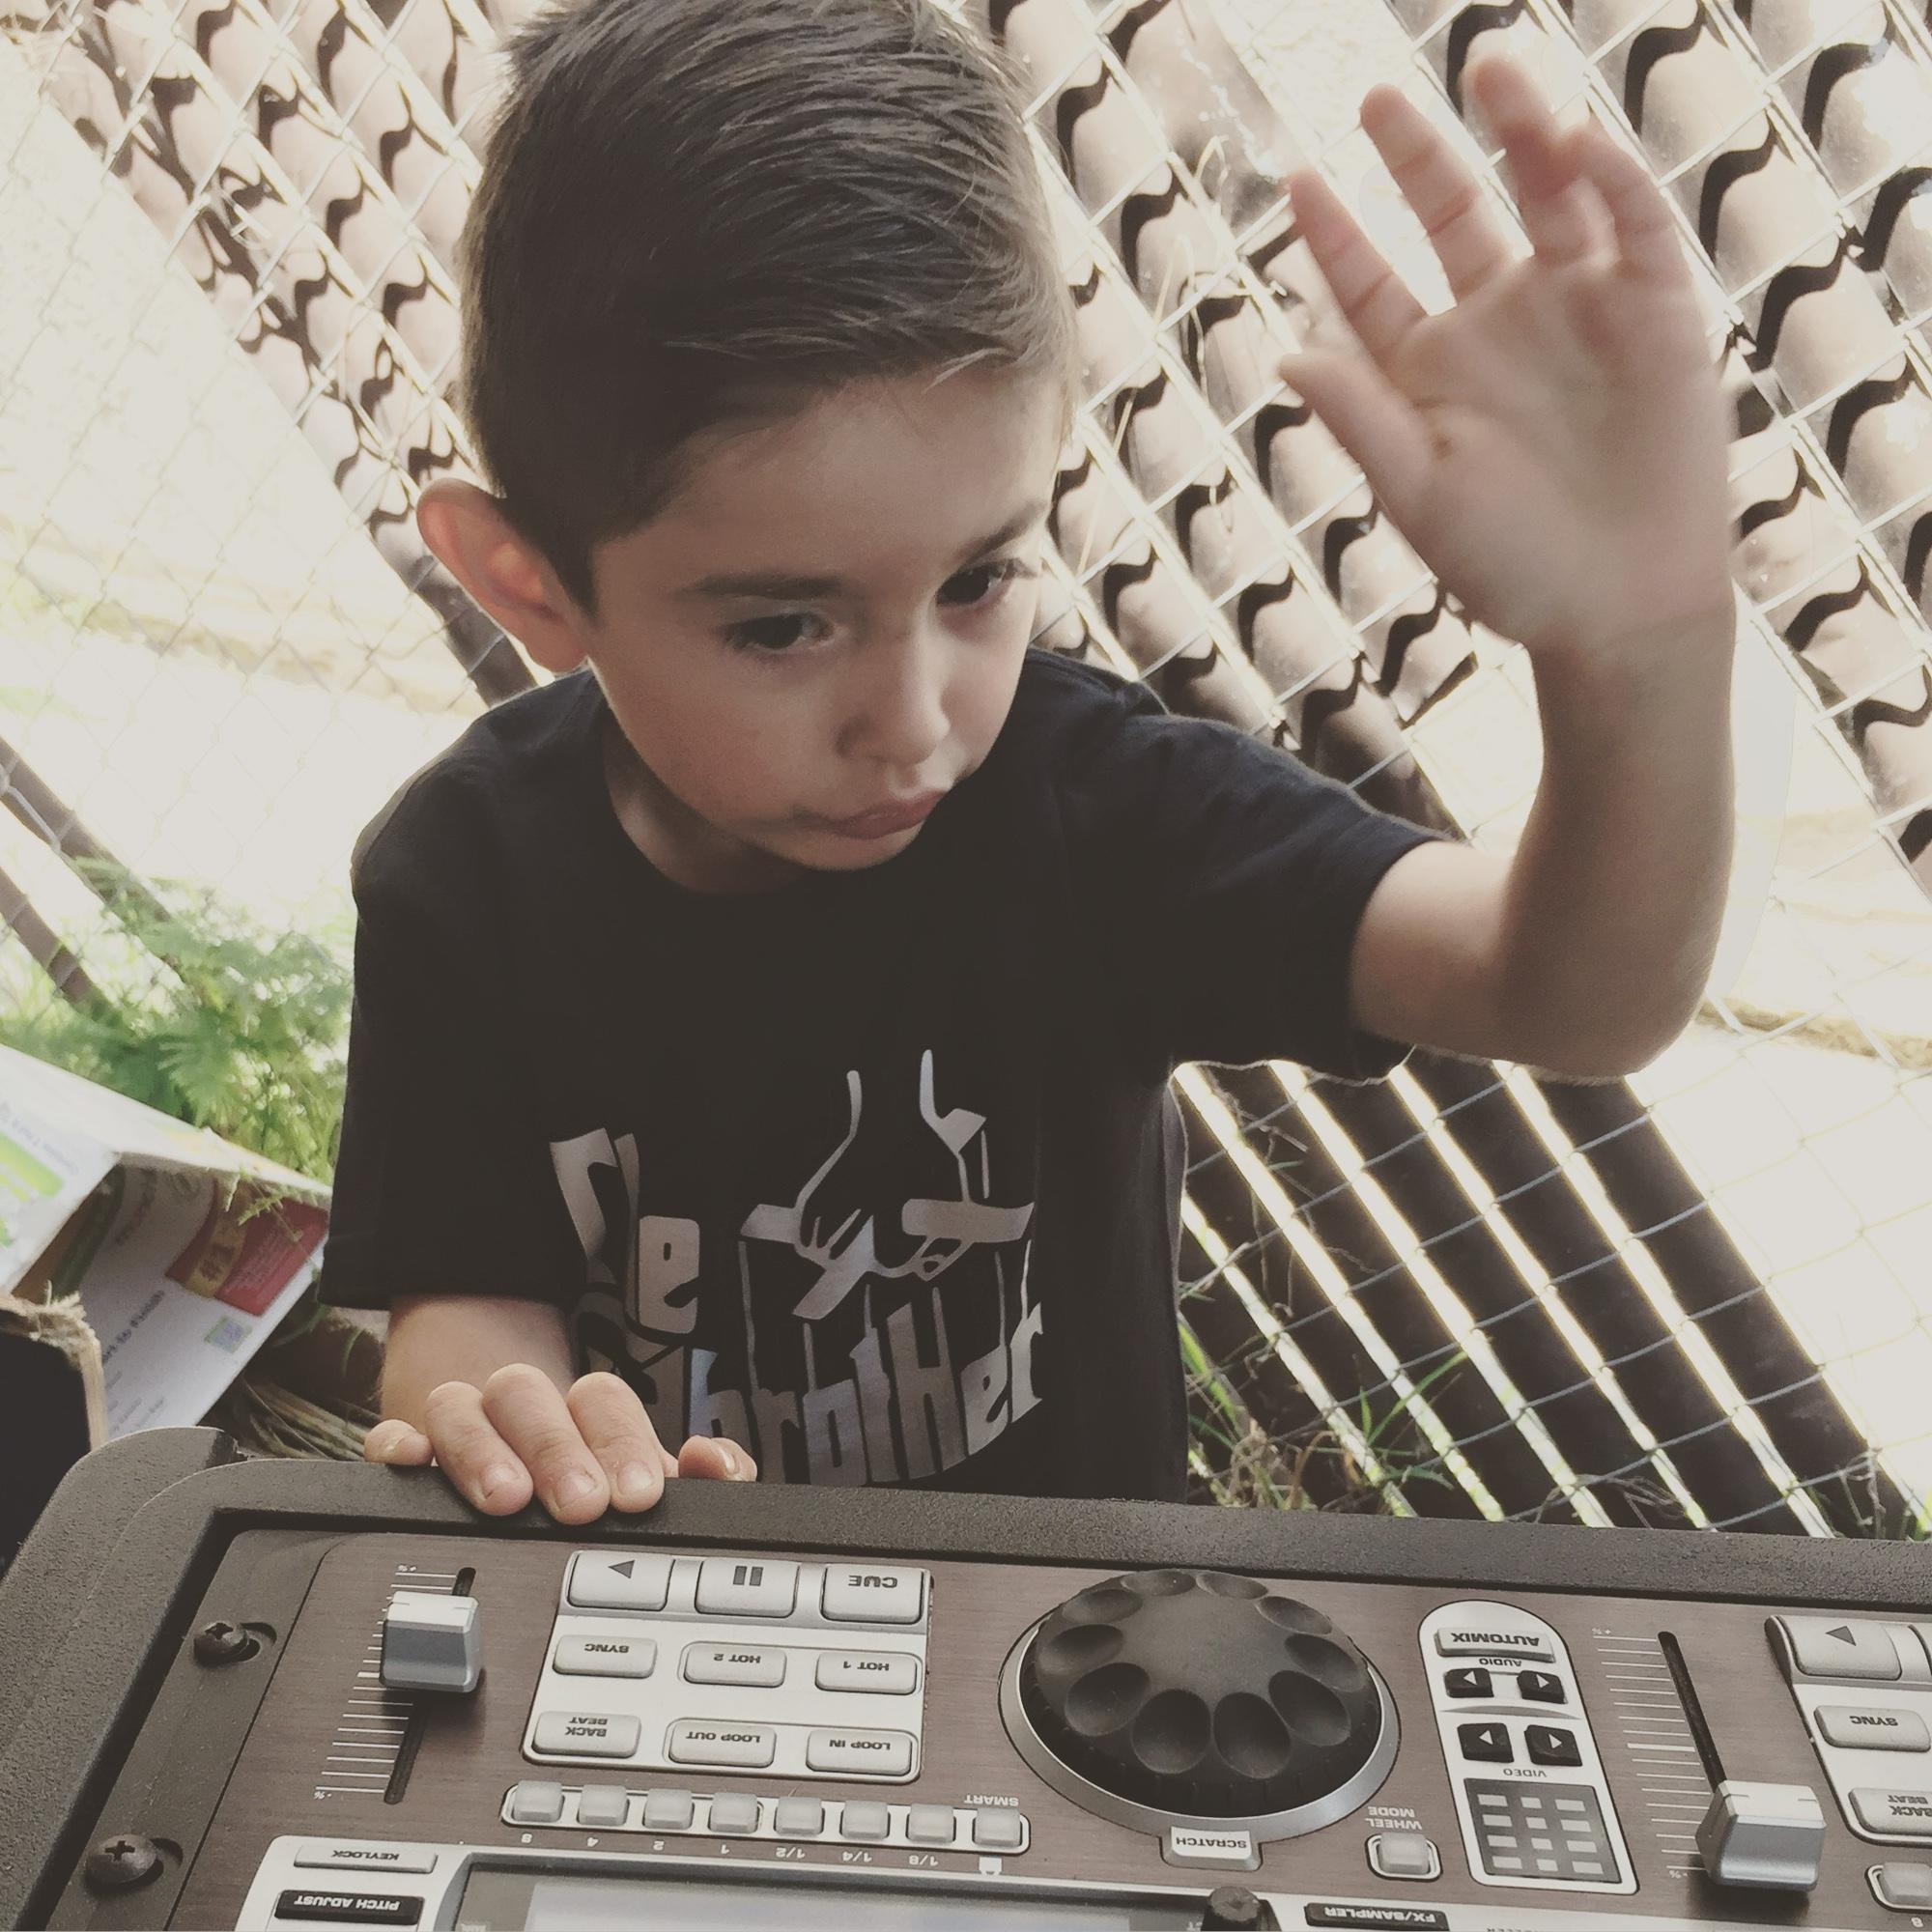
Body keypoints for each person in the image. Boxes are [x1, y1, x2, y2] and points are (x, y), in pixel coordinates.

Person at [324, 0, 1738, 1525]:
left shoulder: (1092, 809)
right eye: (785, 625)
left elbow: (1577, 998)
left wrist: (1639, 651)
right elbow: (465, 1303)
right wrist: (512, 1430)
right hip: (668, 1626)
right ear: (531, 584)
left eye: (979, 579)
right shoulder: (467, 883)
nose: (914, 720)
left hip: (1081, 1632)